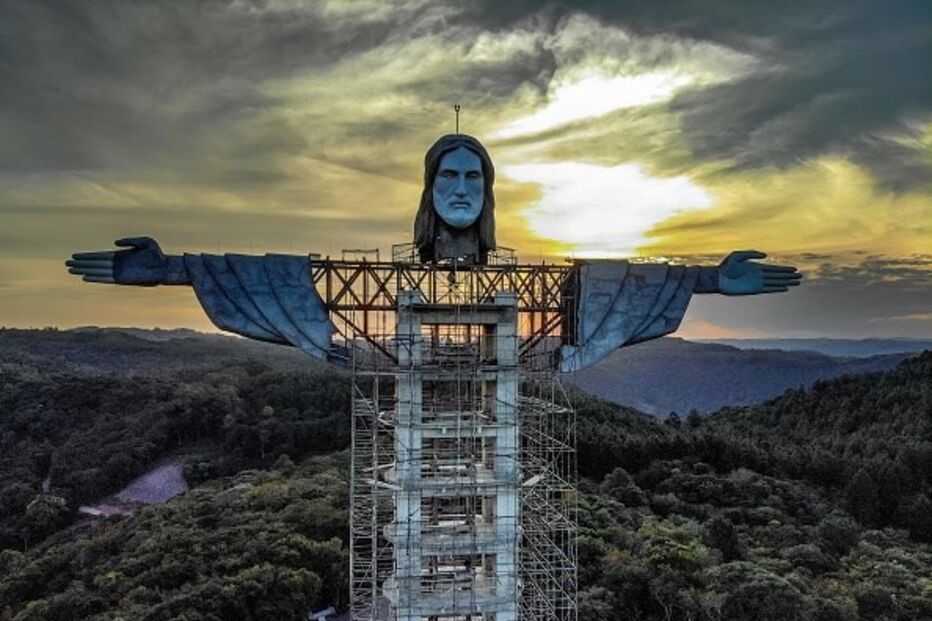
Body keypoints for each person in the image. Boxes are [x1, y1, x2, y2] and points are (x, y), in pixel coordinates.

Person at [65, 134, 801, 370]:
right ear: (429, 189)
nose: (458, 188)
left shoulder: (542, 278)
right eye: (445, 175)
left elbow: (617, 283)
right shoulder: (374, 277)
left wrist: (709, 277)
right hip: (412, 391)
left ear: (488, 192)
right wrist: (168, 268)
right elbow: (278, 276)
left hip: (498, 389)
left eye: (471, 176)